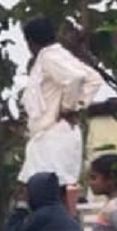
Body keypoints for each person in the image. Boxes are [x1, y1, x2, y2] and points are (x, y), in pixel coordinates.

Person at [16, 16, 104, 214]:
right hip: (54, 136)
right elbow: (94, 79)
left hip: (52, 136)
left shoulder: (49, 58)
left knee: (39, 193)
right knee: (51, 191)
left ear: (30, 42)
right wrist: (77, 105)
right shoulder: (59, 55)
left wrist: (69, 107)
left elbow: (77, 78)